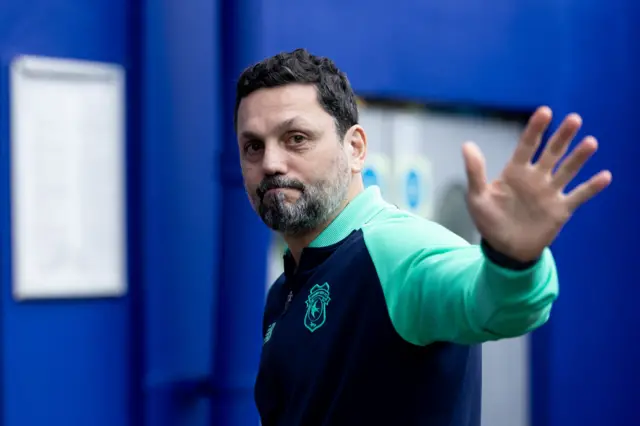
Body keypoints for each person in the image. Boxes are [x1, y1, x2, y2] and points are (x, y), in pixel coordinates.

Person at [233, 48, 611, 426]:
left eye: (296, 138)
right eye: (253, 146)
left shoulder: (397, 251)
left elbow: (496, 303)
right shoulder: (284, 290)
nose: (270, 163)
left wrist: (514, 261)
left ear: (355, 149)